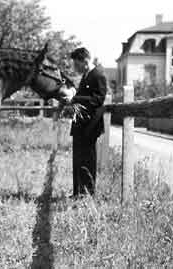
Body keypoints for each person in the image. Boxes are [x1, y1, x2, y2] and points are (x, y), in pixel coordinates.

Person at [67, 47, 107, 197]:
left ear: (85, 61)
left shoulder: (98, 74)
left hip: (91, 125)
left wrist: (76, 99)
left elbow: (99, 99)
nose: (74, 68)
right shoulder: (86, 75)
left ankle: (88, 193)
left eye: (76, 64)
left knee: (88, 160)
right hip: (80, 124)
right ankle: (77, 192)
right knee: (78, 159)